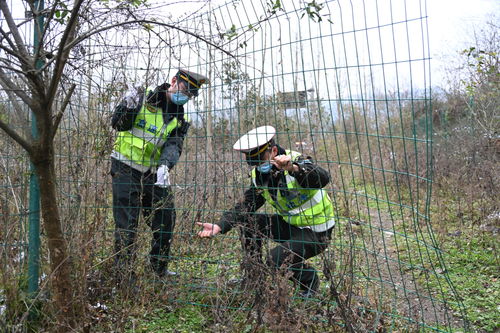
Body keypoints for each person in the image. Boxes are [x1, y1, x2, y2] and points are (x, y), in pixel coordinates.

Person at [197, 126, 336, 297]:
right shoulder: (260, 176)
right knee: (248, 222)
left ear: (274, 150)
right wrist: (220, 225)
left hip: (317, 232)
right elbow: (247, 204)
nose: (257, 166)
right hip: (291, 226)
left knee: (274, 259)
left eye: (260, 160)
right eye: (253, 163)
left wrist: (293, 168)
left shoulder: (297, 161)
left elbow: (322, 178)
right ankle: (254, 277)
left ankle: (309, 280)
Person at [110, 69, 208, 279]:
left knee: (165, 219)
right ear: (173, 81)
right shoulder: (142, 97)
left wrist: (165, 165)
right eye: (185, 90)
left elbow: (174, 145)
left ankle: (158, 270)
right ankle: (123, 275)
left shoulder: (180, 117)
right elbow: (118, 124)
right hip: (125, 168)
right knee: (127, 224)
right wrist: (127, 106)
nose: (186, 97)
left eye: (190, 96)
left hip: (154, 173)